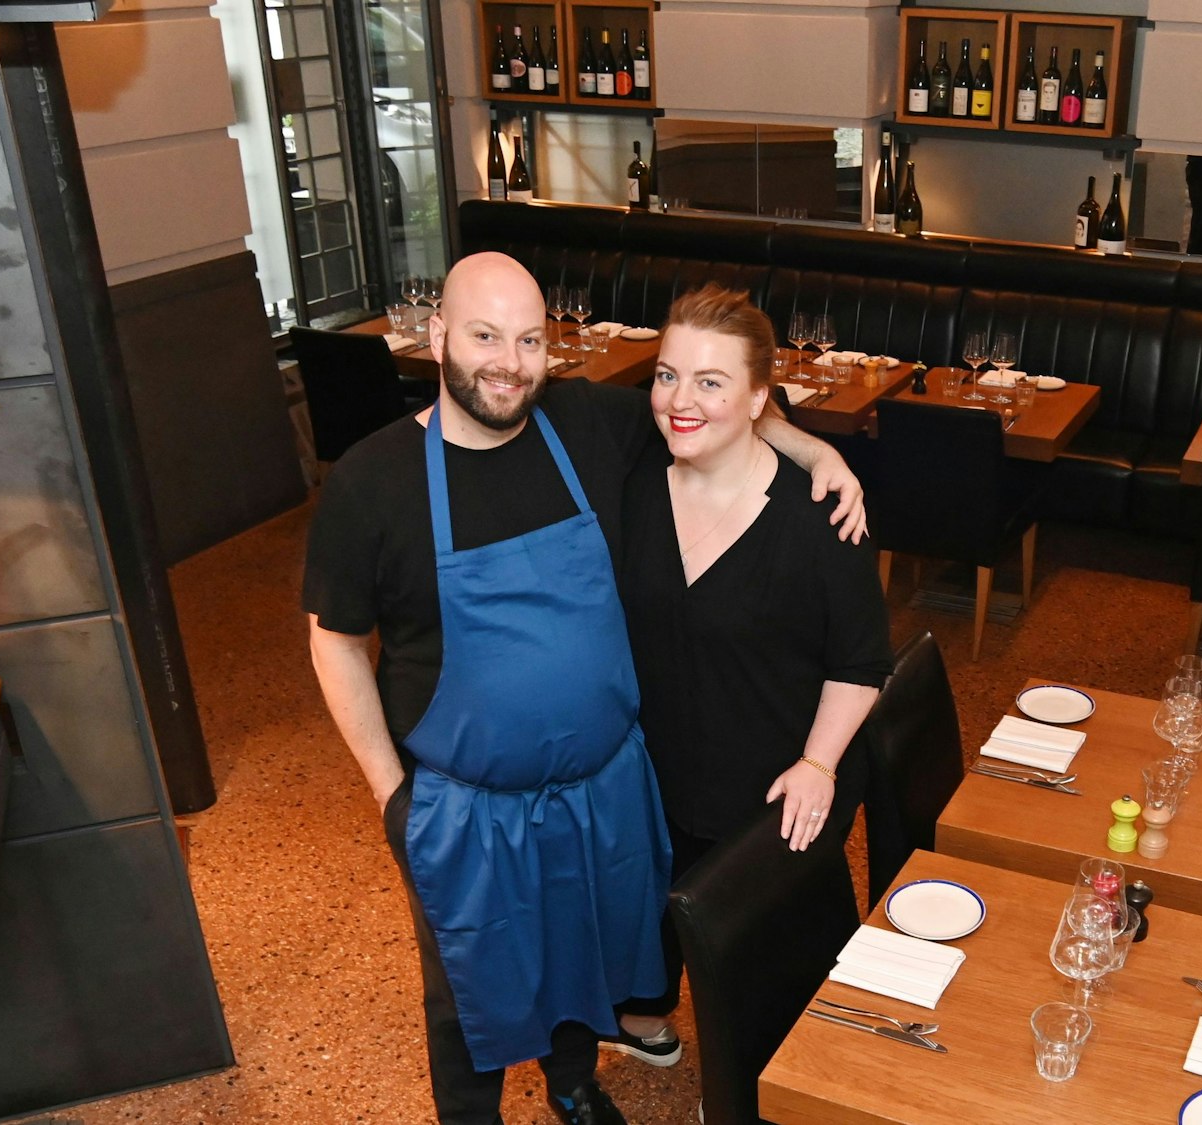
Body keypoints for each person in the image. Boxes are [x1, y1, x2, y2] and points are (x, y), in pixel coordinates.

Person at [303, 253, 867, 1125]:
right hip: (465, 806)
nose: (509, 361)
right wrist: (390, 794)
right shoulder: (373, 480)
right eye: (485, 335)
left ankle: (573, 1083)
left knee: (584, 955)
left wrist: (813, 447)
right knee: (468, 990)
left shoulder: (586, 424)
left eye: (529, 339)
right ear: (439, 334)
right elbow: (333, 641)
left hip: (602, 788)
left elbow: (718, 411)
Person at [610, 283, 892, 1056]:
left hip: (770, 787)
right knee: (646, 918)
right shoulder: (633, 482)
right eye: (668, 375)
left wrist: (818, 763)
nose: (679, 400)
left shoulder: (821, 517)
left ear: (760, 397)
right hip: (655, 771)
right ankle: (641, 1014)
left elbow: (861, 662)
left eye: (710, 382)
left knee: (774, 984)